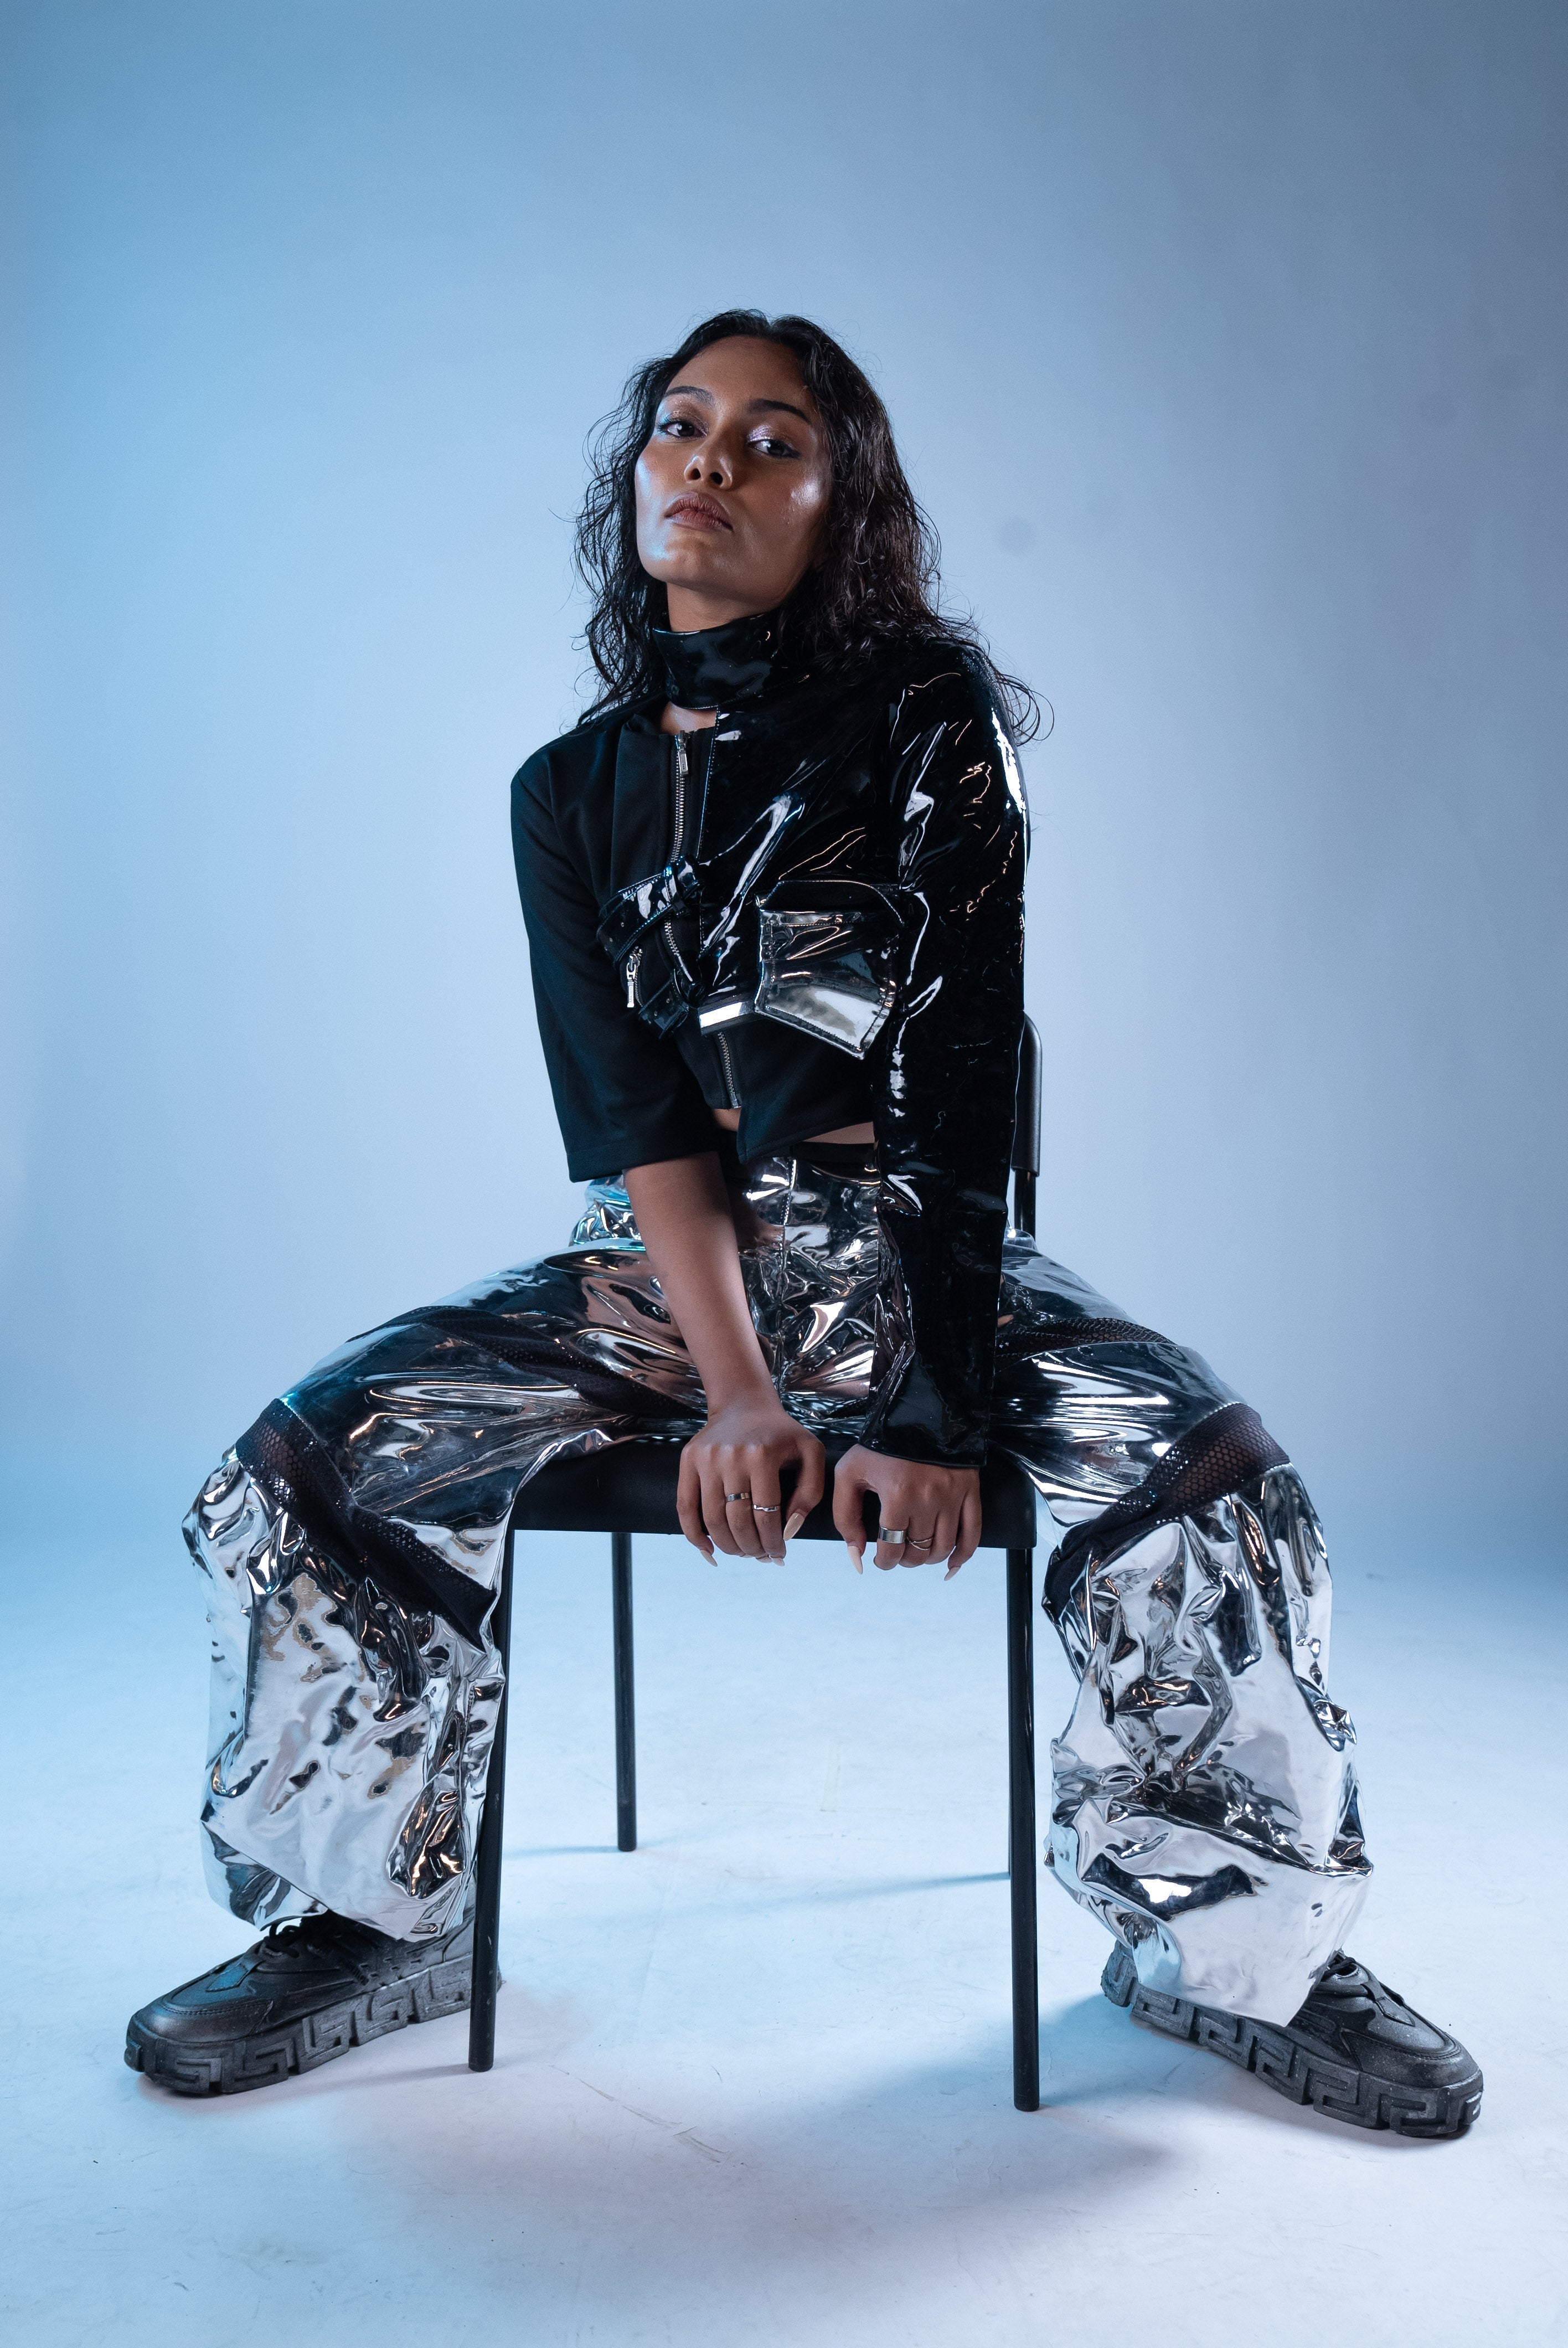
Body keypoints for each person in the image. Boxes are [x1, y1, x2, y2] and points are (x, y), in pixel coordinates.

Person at [126, 310, 1480, 2138]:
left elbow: (959, 1069)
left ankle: (1244, 1960)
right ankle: (369, 1923)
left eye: (774, 441)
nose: (710, 459)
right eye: (681, 425)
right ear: (635, 478)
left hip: (920, 1261)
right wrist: (739, 1392)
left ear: (847, 508)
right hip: (659, 1278)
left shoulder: (923, 725)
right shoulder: (565, 794)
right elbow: (634, 1124)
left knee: (1219, 1487)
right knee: (307, 1464)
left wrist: (926, 1405)